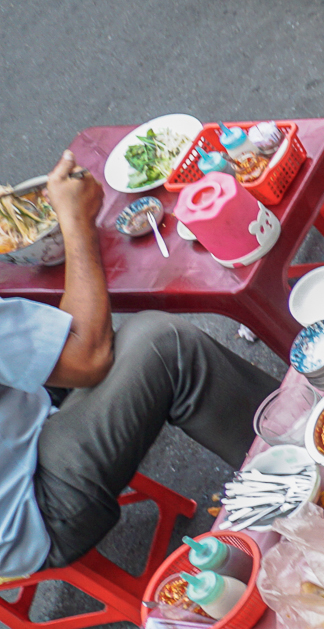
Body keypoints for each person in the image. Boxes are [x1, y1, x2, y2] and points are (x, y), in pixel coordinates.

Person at [0, 153, 276, 580]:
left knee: (80, 329)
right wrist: (76, 222)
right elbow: (87, 358)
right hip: (36, 510)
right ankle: (297, 470)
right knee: (163, 346)